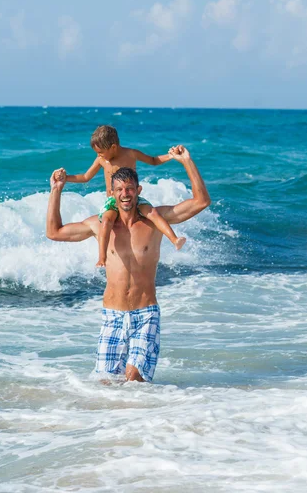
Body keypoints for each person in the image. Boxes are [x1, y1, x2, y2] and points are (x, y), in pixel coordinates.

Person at [47, 145, 210, 383]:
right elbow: (54, 232)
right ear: (112, 194)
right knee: (106, 385)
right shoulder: (99, 224)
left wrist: (186, 161)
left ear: (138, 190)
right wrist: (56, 190)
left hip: (146, 315)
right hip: (112, 316)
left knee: (134, 381)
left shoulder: (154, 221)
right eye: (120, 190)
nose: (125, 194)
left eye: (130, 189)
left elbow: (201, 201)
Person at [54, 125, 186, 269]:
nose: (99, 155)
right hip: (112, 201)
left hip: (133, 198)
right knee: (106, 221)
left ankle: (174, 239)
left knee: (152, 213)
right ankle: (102, 257)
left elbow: (153, 160)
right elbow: (85, 177)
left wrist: (171, 156)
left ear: (113, 147)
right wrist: (66, 178)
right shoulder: (101, 160)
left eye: (101, 152)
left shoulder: (131, 154)